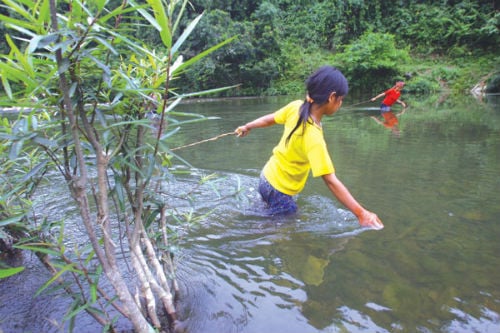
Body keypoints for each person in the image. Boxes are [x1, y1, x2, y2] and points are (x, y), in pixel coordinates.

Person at [235, 66, 383, 230]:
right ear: (332, 97)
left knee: (265, 212)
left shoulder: (296, 106)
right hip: (280, 191)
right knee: (284, 230)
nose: (341, 104)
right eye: (341, 99)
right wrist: (362, 213)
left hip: (266, 177)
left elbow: (270, 119)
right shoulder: (313, 136)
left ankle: (246, 221)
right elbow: (330, 180)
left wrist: (248, 126)